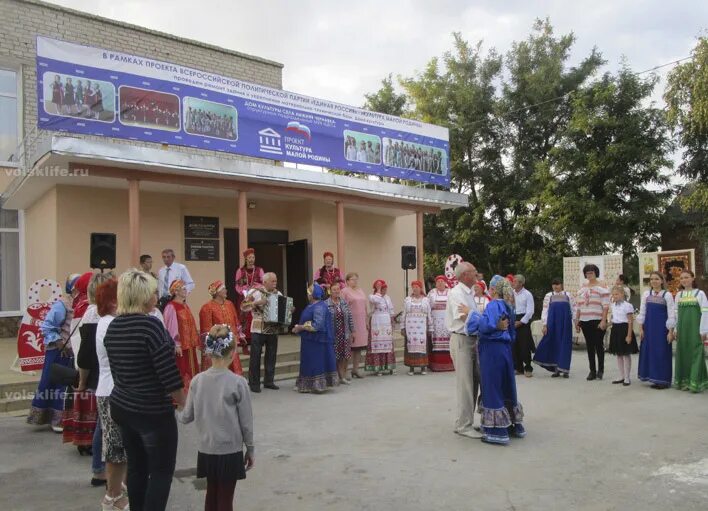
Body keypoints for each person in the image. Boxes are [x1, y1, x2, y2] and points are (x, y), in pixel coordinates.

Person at [104, 269, 185, 511]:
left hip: (122, 406)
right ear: (141, 296)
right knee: (161, 472)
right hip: (151, 410)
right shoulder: (151, 326)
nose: (156, 296)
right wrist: (184, 402)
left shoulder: (114, 326)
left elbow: (118, 370)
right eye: (152, 292)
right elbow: (169, 375)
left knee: (137, 468)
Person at [178, 325, 255, 511]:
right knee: (225, 499)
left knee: (211, 495)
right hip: (229, 450)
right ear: (233, 352)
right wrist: (250, 448)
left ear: (209, 352)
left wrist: (173, 410)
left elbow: (186, 416)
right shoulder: (238, 383)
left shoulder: (197, 381)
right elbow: (246, 422)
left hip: (207, 450)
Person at [468, 275, 526, 446]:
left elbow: (486, 326)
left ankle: (496, 431)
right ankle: (511, 425)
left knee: (492, 385)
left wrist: (471, 316)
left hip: (492, 350)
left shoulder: (493, 304)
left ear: (492, 289)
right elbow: (510, 332)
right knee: (505, 384)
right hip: (505, 349)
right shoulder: (509, 306)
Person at [27, 274, 81, 432]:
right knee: (55, 383)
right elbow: (47, 326)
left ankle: (62, 419)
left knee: (66, 386)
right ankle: (54, 419)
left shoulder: (83, 304)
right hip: (59, 351)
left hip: (72, 352)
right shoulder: (62, 304)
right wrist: (60, 344)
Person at [75, 272, 114, 485]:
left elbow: (84, 356)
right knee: (107, 425)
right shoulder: (101, 317)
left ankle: (99, 469)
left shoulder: (88, 314)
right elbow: (86, 354)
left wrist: (82, 381)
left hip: (96, 375)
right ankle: (103, 469)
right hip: (105, 374)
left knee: (102, 423)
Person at [94, 279, 129, 511]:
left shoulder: (111, 322)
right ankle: (112, 497)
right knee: (115, 447)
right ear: (114, 301)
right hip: (111, 391)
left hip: (115, 389)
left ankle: (117, 490)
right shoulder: (108, 324)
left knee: (120, 446)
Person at [445, 262, 481, 438]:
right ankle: (463, 425)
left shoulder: (470, 292)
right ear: (465, 275)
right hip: (462, 340)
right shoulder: (457, 293)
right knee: (466, 384)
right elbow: (465, 316)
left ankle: (467, 421)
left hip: (472, 340)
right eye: (474, 272)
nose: (477, 275)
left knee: (473, 382)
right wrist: (488, 321)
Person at [241, 272, 282, 393]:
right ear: (265, 282)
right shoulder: (255, 292)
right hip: (258, 328)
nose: (275, 283)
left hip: (272, 329)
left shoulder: (278, 294)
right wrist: (256, 303)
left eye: (275, 281)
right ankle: (254, 383)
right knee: (255, 356)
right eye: (272, 281)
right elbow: (243, 306)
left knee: (271, 355)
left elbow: (282, 310)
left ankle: (269, 381)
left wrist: (289, 310)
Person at [293, 283, 339, 393]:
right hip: (310, 340)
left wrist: (300, 327)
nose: (308, 295)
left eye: (309, 293)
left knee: (315, 362)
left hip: (317, 341)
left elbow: (317, 325)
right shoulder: (312, 305)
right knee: (309, 361)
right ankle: (308, 384)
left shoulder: (319, 307)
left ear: (314, 294)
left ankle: (317, 385)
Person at [637, 272, 676, 389]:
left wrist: (670, 331)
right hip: (648, 328)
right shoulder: (646, 294)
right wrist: (641, 329)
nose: (654, 281)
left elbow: (671, 315)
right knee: (650, 352)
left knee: (661, 353)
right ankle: (653, 378)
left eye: (657, 279)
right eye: (652, 279)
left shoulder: (667, 295)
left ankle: (663, 380)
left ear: (662, 281)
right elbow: (642, 312)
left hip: (661, 329)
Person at [673, 270, 708, 393]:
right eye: (682, 278)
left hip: (696, 330)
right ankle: (684, 381)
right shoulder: (679, 295)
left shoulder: (700, 294)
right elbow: (676, 314)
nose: (684, 280)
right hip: (682, 330)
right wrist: (676, 329)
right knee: (683, 354)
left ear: (693, 278)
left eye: (686, 277)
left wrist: (704, 330)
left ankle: (695, 382)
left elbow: (705, 312)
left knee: (696, 354)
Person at [533, 278, 576, 378]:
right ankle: (556, 369)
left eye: (557, 284)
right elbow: (545, 310)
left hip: (565, 323)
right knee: (553, 344)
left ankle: (565, 370)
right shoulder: (549, 296)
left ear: (562, 285)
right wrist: (544, 325)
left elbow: (573, 308)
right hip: (552, 324)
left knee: (565, 344)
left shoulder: (568, 295)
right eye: (553, 284)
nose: (555, 286)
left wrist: (576, 322)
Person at [199, 280, 244, 375]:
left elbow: (236, 321)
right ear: (217, 292)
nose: (226, 290)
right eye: (223, 289)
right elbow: (206, 329)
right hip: (218, 346)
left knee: (234, 368)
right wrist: (208, 347)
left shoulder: (229, 304)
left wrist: (240, 334)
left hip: (231, 343)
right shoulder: (207, 307)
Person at [164, 279, 201, 392]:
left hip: (189, 345)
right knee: (182, 369)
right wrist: (176, 344)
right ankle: (181, 396)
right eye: (183, 288)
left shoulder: (185, 306)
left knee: (192, 368)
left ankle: (192, 392)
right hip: (181, 347)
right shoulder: (171, 307)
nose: (186, 290)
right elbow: (171, 327)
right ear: (176, 291)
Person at [576, 264, 610, 381]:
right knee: (589, 346)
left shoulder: (602, 285)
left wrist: (603, 320)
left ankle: (601, 370)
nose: (589, 274)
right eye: (587, 273)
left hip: (597, 319)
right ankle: (592, 370)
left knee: (598, 344)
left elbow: (606, 305)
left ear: (596, 273)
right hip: (585, 319)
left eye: (591, 272)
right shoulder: (583, 287)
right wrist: (577, 320)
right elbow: (579, 305)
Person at [234, 248, 264, 353]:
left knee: (256, 319)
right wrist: (244, 292)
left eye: (253, 257)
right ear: (246, 259)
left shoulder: (259, 270)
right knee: (244, 322)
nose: (251, 259)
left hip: (256, 298)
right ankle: (244, 346)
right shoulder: (240, 271)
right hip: (244, 299)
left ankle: (257, 345)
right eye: (249, 258)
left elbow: (263, 283)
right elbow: (238, 285)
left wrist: (255, 288)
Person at [607, 286, 639, 386]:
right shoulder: (613, 305)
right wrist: (607, 324)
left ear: (622, 294)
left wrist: (629, 335)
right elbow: (614, 319)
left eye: (616, 294)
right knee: (618, 354)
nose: (614, 296)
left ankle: (627, 377)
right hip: (616, 329)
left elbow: (630, 321)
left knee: (626, 354)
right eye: (613, 294)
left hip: (624, 329)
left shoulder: (628, 306)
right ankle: (621, 375)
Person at [326, 281, 355, 384]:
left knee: (346, 355)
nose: (336, 291)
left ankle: (342, 375)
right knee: (336, 356)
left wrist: (353, 331)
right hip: (334, 334)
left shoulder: (343, 302)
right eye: (334, 290)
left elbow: (350, 317)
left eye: (338, 289)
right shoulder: (327, 304)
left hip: (345, 333)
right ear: (330, 291)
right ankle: (338, 376)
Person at [365, 279, 396, 376]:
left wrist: (392, 321)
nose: (385, 290)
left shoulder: (387, 297)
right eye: (383, 288)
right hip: (377, 322)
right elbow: (376, 300)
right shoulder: (372, 296)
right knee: (377, 344)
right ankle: (377, 368)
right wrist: (378, 290)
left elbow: (391, 310)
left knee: (387, 344)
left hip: (386, 322)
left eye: (385, 288)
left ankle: (388, 366)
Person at [341, 272, 368, 378]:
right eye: (352, 279)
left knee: (359, 347)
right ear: (347, 281)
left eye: (356, 279)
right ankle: (345, 370)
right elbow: (343, 307)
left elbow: (365, 306)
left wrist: (366, 320)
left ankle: (355, 369)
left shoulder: (360, 290)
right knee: (350, 347)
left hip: (361, 322)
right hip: (351, 322)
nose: (355, 281)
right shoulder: (344, 291)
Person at [402, 280, 432, 375]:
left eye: (417, 287)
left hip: (422, 327)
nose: (415, 289)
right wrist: (402, 327)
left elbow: (429, 314)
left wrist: (430, 328)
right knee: (411, 345)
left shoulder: (426, 300)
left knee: (422, 345)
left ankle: (423, 367)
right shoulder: (407, 300)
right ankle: (411, 368)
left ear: (420, 288)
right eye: (413, 287)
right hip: (410, 327)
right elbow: (404, 314)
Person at [427, 276, 453, 372]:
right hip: (435, 323)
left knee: (449, 342)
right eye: (438, 282)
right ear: (436, 283)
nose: (440, 283)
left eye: (442, 281)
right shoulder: (431, 293)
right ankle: (435, 364)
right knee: (436, 343)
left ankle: (450, 364)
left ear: (445, 283)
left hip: (447, 322)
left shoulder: (450, 292)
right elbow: (427, 308)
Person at [512, 275, 535, 377]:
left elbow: (530, 311)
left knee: (524, 345)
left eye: (515, 281)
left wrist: (521, 322)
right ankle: (518, 367)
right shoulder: (511, 293)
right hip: (513, 318)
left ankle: (528, 367)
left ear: (521, 283)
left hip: (523, 320)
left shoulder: (527, 294)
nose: (513, 283)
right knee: (514, 344)